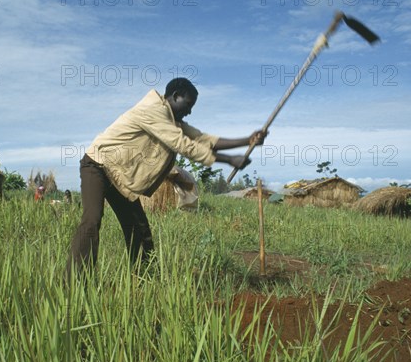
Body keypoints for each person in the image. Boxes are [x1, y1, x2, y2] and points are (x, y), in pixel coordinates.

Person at [66, 78, 267, 279]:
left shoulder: (172, 120)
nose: (189, 111)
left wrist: (247, 140)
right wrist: (229, 159)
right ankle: (75, 282)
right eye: (188, 105)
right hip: (98, 165)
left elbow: (202, 139)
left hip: (120, 176)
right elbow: (183, 145)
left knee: (139, 230)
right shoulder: (153, 110)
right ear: (176, 95)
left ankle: (143, 280)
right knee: (92, 220)